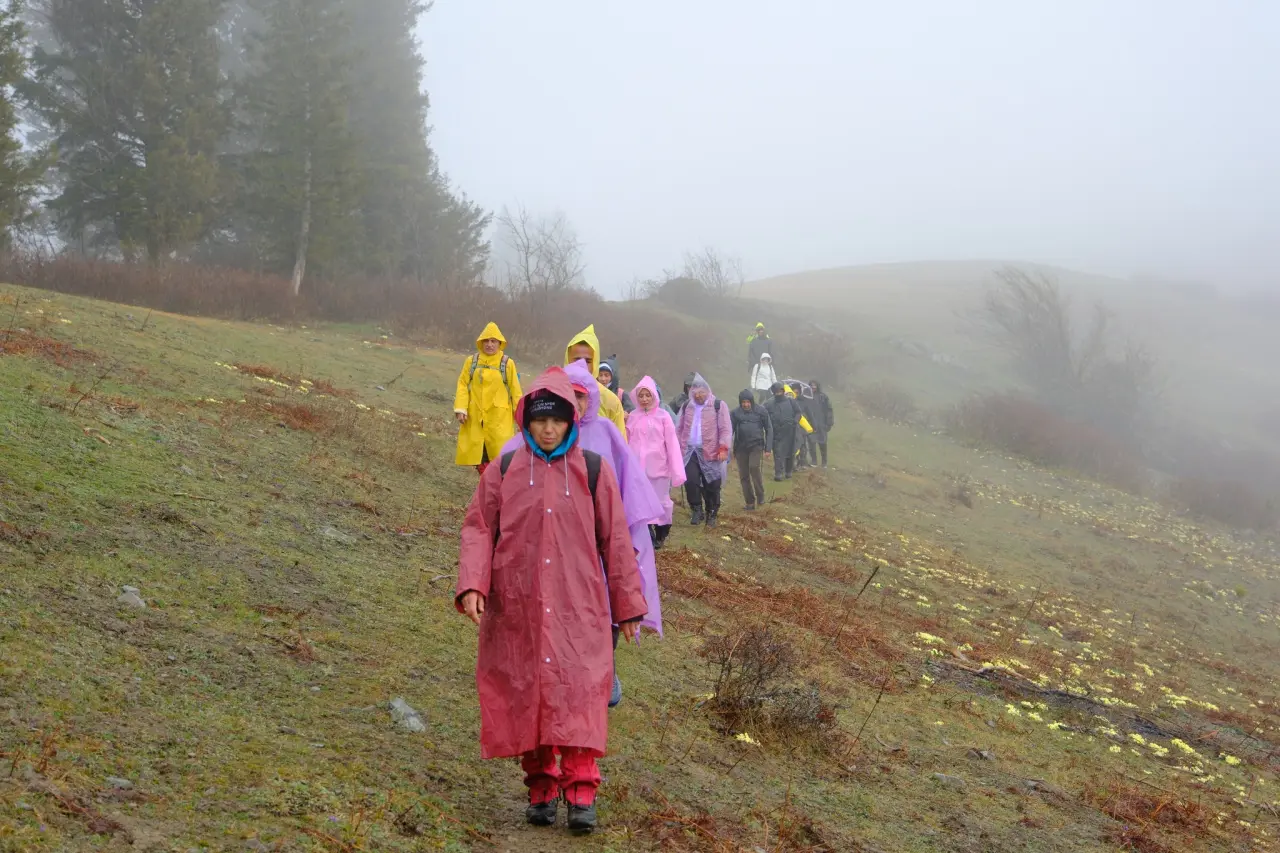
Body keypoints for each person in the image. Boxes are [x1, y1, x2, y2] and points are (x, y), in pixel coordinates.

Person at [457, 367, 646, 833]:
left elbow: (616, 541)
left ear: (570, 422)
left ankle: (581, 791)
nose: (547, 429)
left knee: (580, 691)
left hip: (578, 606)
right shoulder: (505, 469)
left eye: (557, 420)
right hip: (517, 602)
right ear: (526, 421)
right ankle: (540, 785)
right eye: (540, 421)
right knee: (528, 691)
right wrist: (473, 583)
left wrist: (628, 607)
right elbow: (480, 527)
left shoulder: (594, 470)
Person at [501, 360, 665, 706]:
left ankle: (606, 671)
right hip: (554, 541)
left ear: (591, 397)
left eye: (581, 396)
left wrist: (621, 536)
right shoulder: (540, 436)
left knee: (603, 607)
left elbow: (626, 486)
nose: (575, 403)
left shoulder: (606, 433)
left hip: (598, 543)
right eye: (568, 395)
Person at [453, 322, 522, 473]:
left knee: (499, 457)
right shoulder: (472, 361)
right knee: (479, 455)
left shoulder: (507, 364)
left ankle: (495, 488)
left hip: (499, 420)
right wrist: (461, 408)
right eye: (486, 341)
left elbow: (516, 392)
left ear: (500, 343)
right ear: (481, 342)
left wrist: (521, 419)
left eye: (493, 341)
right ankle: (485, 486)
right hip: (476, 417)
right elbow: (463, 384)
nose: (489, 345)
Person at [627, 375, 686, 550]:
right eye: (641, 396)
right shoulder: (632, 417)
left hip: (659, 470)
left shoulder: (664, 417)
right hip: (637, 470)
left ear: (654, 396)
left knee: (661, 503)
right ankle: (647, 535)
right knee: (640, 503)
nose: (644, 399)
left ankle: (662, 532)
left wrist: (677, 472)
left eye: (648, 395)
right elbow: (627, 442)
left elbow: (672, 445)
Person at [675, 374, 732, 527]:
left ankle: (712, 512)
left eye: (701, 392)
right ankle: (696, 509)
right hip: (689, 451)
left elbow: (725, 429)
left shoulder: (718, 405)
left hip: (711, 451)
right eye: (695, 392)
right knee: (691, 481)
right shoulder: (687, 406)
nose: (698, 395)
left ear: (708, 391)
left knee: (712, 483)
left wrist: (723, 448)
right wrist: (676, 449)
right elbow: (679, 429)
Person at [565, 325, 628, 438]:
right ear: (568, 359)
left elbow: (620, 446)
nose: (582, 364)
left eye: (588, 361)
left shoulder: (610, 401)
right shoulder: (553, 392)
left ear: (595, 362)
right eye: (577, 359)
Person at [730, 389, 772, 510]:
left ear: (752, 402)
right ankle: (749, 502)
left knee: (754, 467)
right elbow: (729, 431)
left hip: (756, 445)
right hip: (740, 447)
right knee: (744, 475)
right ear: (740, 402)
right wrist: (727, 447)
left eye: (748, 402)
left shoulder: (761, 411)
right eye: (743, 402)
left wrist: (768, 448)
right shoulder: (735, 413)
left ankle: (760, 495)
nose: (746, 404)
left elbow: (769, 429)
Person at [764, 382, 802, 481]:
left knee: (790, 452)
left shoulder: (791, 401)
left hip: (790, 431)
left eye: (780, 391)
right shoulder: (769, 404)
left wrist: (795, 421)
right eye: (776, 392)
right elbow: (762, 414)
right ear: (773, 392)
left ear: (783, 391)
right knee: (778, 452)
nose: (779, 393)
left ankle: (788, 471)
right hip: (776, 432)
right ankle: (778, 473)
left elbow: (798, 412)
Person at [809, 380, 835, 469]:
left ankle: (824, 462)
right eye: (811, 385)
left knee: (822, 443)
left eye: (815, 385)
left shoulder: (823, 397)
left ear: (818, 386)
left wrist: (829, 422)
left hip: (822, 423)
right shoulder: (807, 397)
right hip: (810, 424)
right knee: (811, 443)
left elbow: (829, 410)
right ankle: (814, 461)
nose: (813, 387)